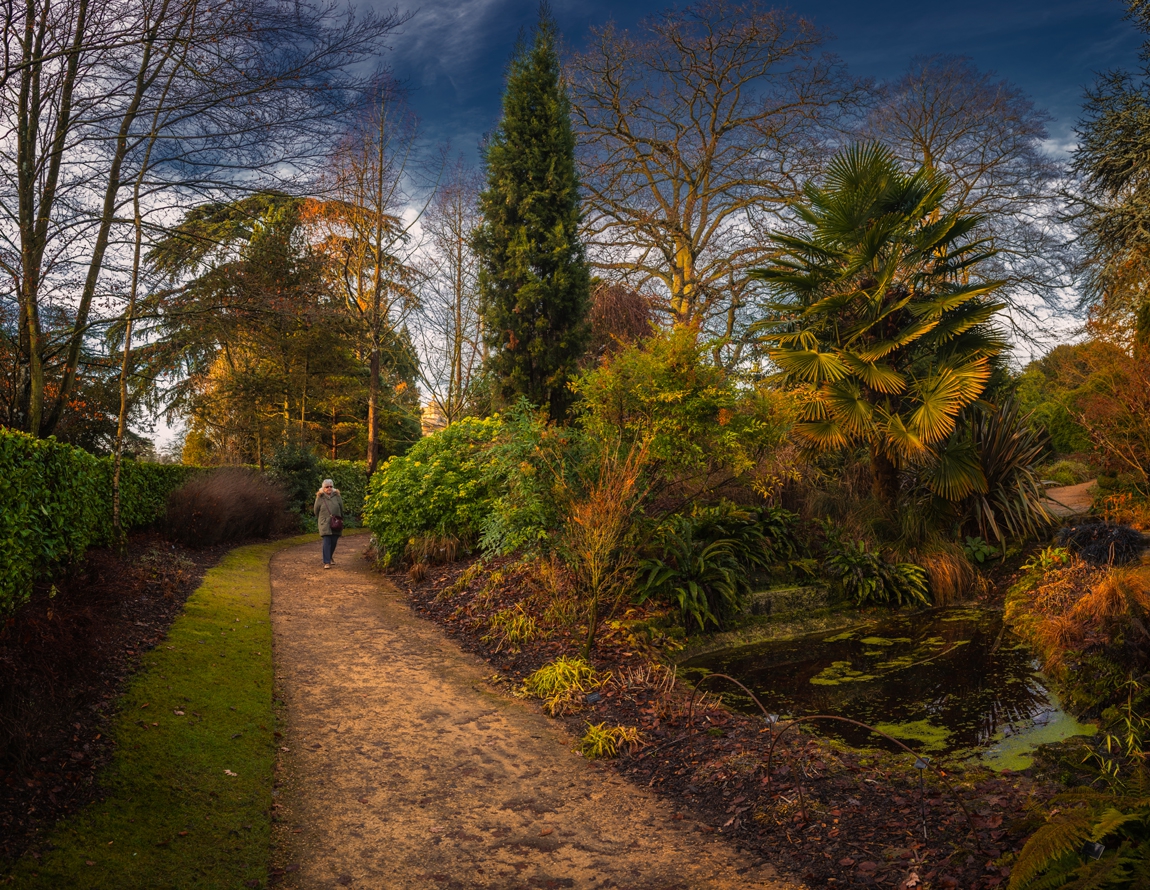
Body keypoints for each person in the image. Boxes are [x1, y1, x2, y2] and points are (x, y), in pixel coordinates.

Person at [313, 479, 344, 569]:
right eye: (327, 487)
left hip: (336, 522)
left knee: (334, 541)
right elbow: (316, 511)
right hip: (324, 522)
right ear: (323, 488)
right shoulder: (320, 497)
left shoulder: (337, 496)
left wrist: (340, 519)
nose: (329, 488)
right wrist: (323, 518)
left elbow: (341, 508)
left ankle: (329, 557)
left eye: (331, 486)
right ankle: (326, 562)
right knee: (327, 541)